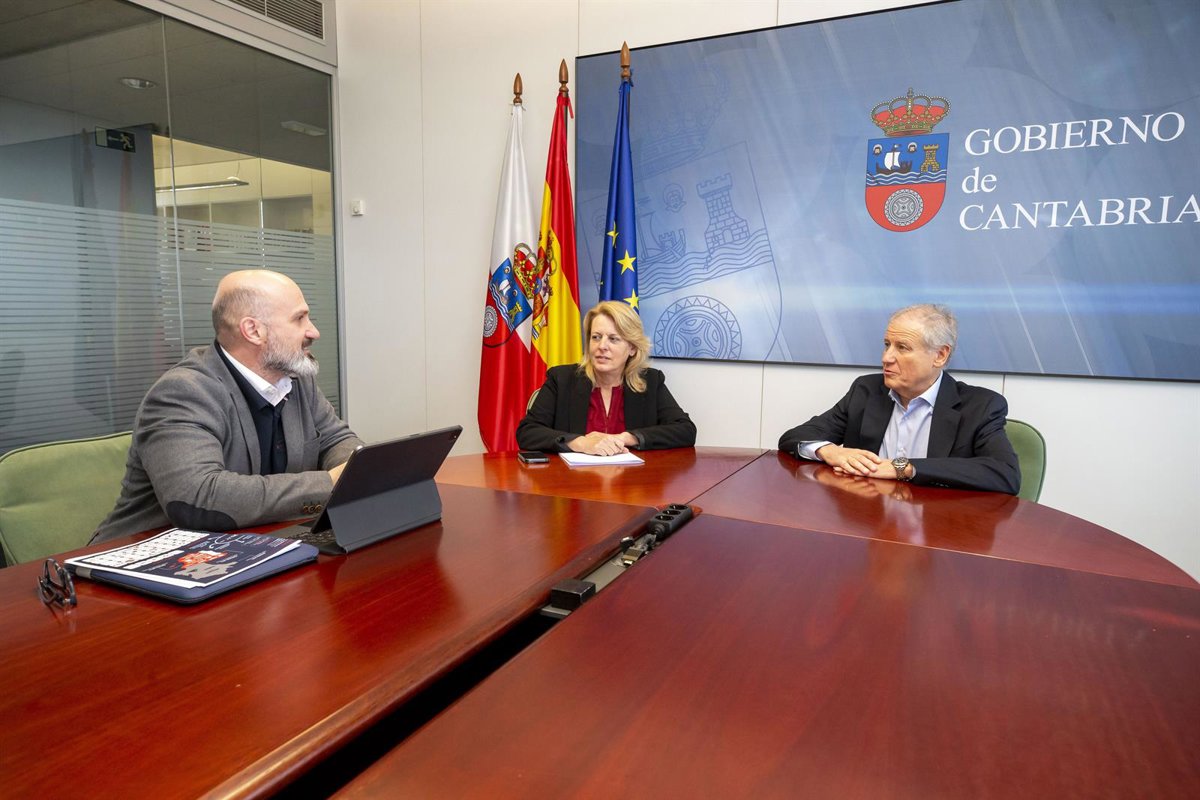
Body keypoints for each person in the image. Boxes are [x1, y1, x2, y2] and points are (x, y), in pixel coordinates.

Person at [91, 270, 364, 543]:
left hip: (249, 544)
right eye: (299, 319)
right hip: (143, 554)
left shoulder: (296, 379)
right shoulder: (183, 392)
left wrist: (352, 473)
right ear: (253, 331)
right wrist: (329, 483)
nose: (313, 331)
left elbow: (336, 439)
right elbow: (199, 497)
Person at [778, 304, 1020, 494]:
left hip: (937, 528)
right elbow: (793, 437)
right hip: (867, 521)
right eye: (887, 345)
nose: (886, 357)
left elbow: (1005, 473)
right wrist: (831, 451)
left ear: (940, 355)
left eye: (902, 347)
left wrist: (902, 467)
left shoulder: (981, 406)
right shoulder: (867, 391)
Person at [516, 301, 696, 454]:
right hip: (572, 480)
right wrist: (581, 443)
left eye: (613, 339)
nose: (602, 346)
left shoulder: (651, 381)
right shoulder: (562, 379)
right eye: (596, 337)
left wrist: (627, 438)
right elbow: (527, 432)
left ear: (632, 348)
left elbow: (685, 430)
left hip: (633, 482)